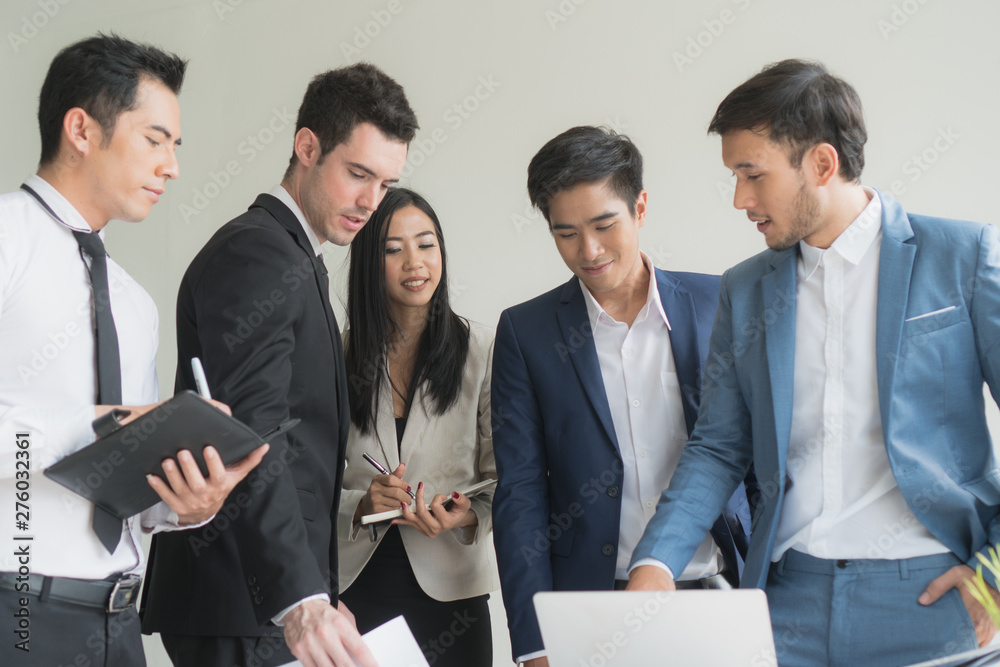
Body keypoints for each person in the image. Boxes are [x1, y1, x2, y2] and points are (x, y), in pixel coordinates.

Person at [628, 58, 1000, 666]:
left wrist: (997, 572)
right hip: (786, 607)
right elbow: (718, 446)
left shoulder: (962, 257)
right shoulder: (744, 288)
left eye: (753, 175)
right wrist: (656, 562)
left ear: (822, 164)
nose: (739, 199)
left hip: (936, 603)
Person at [0, 34, 266, 666]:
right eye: (155, 139)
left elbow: (130, 496)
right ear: (81, 130)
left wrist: (187, 504)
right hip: (18, 614)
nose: (172, 166)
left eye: (175, 146)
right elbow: (99, 432)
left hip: (119, 623)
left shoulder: (135, 303)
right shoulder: (6, 240)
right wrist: (104, 426)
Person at [141, 64, 418, 667]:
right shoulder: (258, 252)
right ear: (307, 146)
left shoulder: (296, 256)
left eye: (386, 183)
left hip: (258, 600)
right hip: (242, 596)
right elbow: (254, 432)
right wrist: (300, 598)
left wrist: (322, 592)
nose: (372, 202)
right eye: (358, 174)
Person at [491, 126, 753, 666]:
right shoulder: (527, 333)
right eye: (565, 233)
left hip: (721, 598)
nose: (588, 251)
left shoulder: (718, 303)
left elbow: (758, 462)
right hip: (593, 614)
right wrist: (536, 642)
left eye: (604, 225)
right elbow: (519, 493)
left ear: (640, 207)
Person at [336, 187, 497, 666]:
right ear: (369, 261)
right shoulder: (338, 355)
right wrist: (362, 504)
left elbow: (506, 479)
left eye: (426, 244)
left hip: (452, 592)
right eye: (393, 249)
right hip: (354, 590)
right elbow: (306, 478)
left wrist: (463, 514)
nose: (415, 262)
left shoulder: (482, 350)